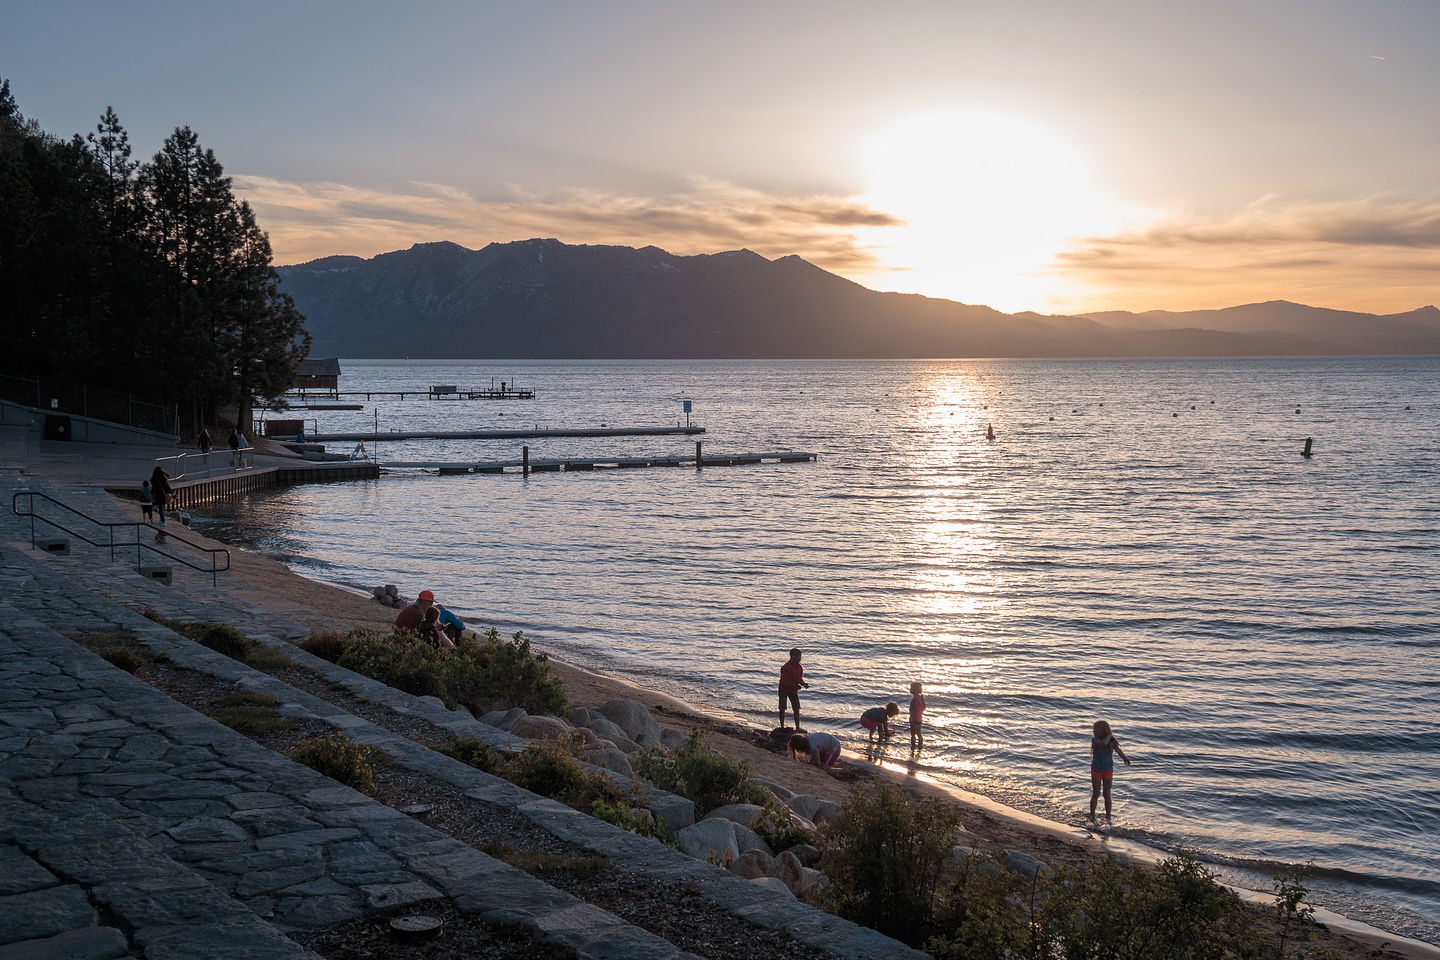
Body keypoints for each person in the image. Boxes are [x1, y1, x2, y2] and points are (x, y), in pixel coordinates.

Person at [1089, 720, 1131, 821]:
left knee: (1107, 794)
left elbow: (1118, 750)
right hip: (1096, 770)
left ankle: (1108, 817)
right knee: (1096, 793)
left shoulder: (1111, 742)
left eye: (1096, 729)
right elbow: (1103, 744)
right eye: (1093, 729)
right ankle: (1092, 816)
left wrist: (1125, 758)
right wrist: (1109, 735)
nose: (1094, 731)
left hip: (1108, 770)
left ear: (1103, 730)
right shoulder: (1095, 740)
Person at [778, 647, 808, 731]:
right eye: (798, 656)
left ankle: (797, 728)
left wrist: (803, 684)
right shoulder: (786, 667)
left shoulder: (799, 667)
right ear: (792, 656)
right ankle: (782, 726)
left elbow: (799, 678)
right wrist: (795, 686)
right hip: (783, 689)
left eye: (800, 656)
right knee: (782, 708)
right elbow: (784, 681)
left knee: (796, 708)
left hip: (793, 690)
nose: (800, 658)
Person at [909, 681, 926, 750]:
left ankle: (913, 747)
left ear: (914, 690)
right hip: (919, 718)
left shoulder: (915, 699)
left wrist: (911, 713)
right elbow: (924, 707)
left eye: (911, 688)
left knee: (913, 734)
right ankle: (920, 746)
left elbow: (914, 709)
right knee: (919, 733)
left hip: (914, 719)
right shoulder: (920, 698)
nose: (910, 690)